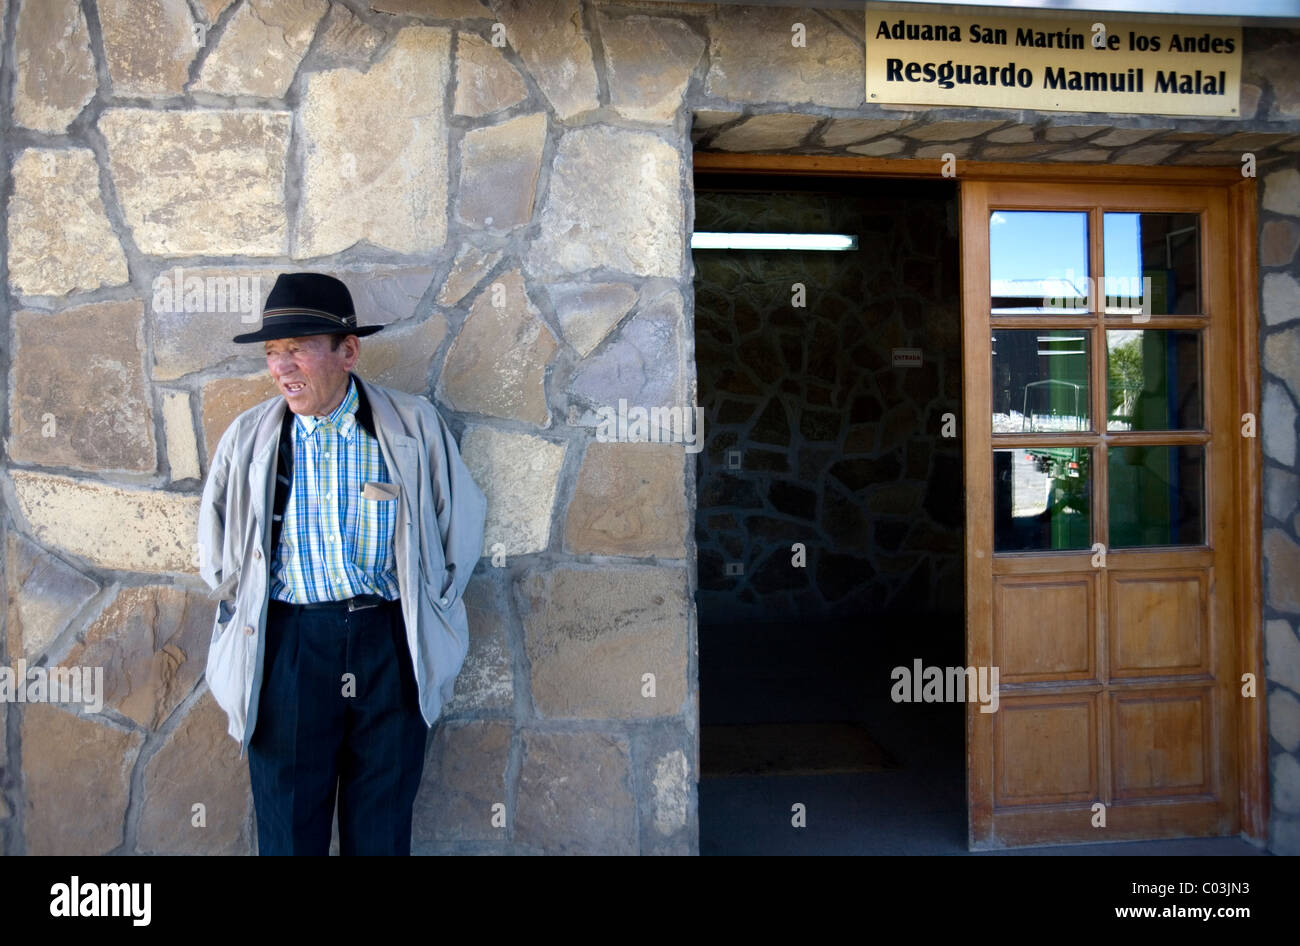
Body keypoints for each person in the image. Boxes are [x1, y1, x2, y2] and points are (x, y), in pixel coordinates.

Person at [197, 272, 487, 855]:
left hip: (388, 641)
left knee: (380, 830)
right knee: (288, 832)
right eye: (273, 353)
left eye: (297, 349)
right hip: (288, 646)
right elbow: (218, 550)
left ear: (348, 351)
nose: (281, 368)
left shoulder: (411, 425)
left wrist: (432, 610)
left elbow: (460, 529)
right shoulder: (250, 437)